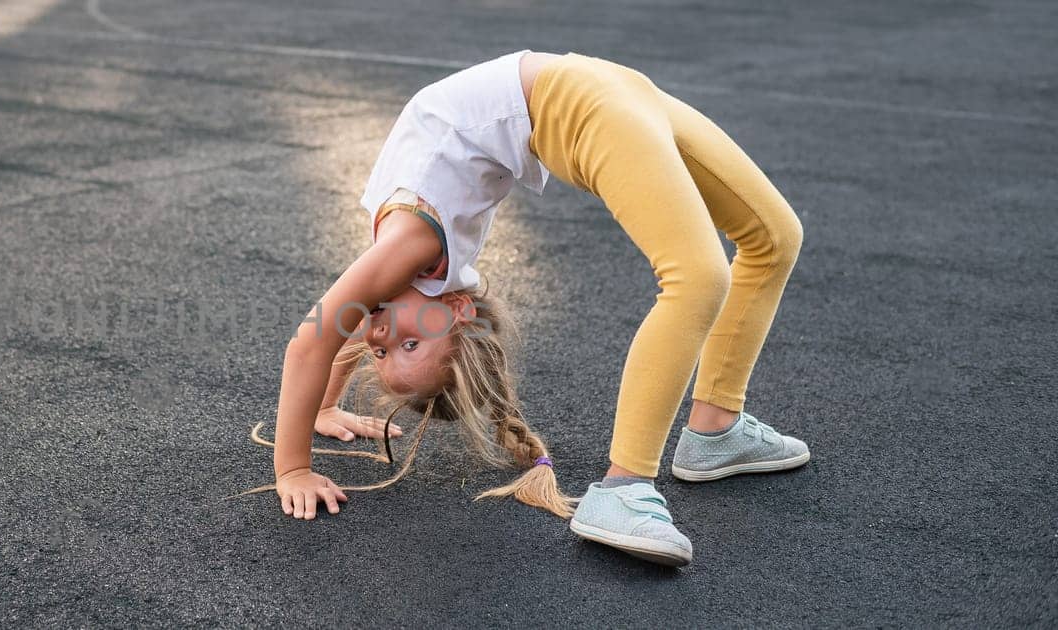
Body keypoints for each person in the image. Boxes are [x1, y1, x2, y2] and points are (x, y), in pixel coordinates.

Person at [261, 50, 808, 567]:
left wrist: (295, 462)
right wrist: (320, 418)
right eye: (400, 346)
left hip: (595, 86)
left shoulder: (405, 254)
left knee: (773, 237)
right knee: (700, 276)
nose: (379, 333)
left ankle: (713, 431)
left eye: (388, 348)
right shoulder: (416, 283)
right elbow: (353, 325)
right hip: (579, 102)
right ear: (454, 315)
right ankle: (624, 488)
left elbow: (320, 337)